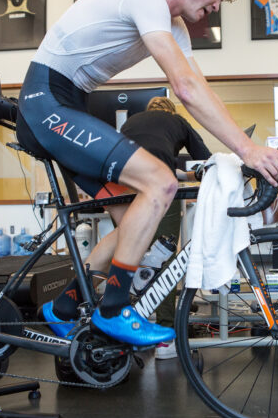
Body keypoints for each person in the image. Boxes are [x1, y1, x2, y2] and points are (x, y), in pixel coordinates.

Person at [16, 0, 278, 347]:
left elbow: (199, 87)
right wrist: (247, 151)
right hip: (45, 102)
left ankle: (64, 306)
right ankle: (113, 309)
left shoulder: (174, 27)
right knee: (162, 182)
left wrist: (240, 148)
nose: (217, 6)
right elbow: (184, 89)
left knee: (134, 222)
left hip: (69, 104)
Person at [42, 97, 211, 360]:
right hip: (151, 182)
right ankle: (165, 338)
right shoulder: (177, 121)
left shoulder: (132, 123)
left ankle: (65, 305)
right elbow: (206, 161)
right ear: (170, 111)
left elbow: (144, 156)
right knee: (165, 253)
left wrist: (181, 174)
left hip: (113, 175)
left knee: (125, 234)